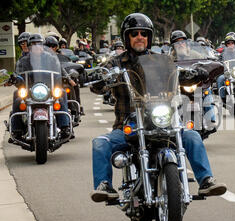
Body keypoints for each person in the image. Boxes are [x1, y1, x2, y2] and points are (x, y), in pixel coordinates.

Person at [89, 13, 227, 202]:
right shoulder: (116, 63)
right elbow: (98, 82)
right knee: (100, 143)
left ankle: (206, 181)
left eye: (144, 34)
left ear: (149, 37)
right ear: (127, 38)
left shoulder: (162, 61)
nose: (140, 37)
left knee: (192, 135)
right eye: (135, 33)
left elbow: (179, 76)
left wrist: (195, 74)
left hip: (163, 121)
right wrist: (99, 79)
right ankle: (104, 185)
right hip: (128, 125)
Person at [8, 34, 71, 139]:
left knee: (62, 93)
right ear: (29, 47)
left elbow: (58, 71)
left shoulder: (51, 58)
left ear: (43, 46)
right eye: (33, 44)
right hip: (30, 90)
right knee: (17, 96)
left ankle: (65, 126)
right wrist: (15, 78)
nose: (36, 47)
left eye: (39, 44)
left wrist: (65, 78)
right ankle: (16, 129)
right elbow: (18, 74)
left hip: (49, 89)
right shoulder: (23, 61)